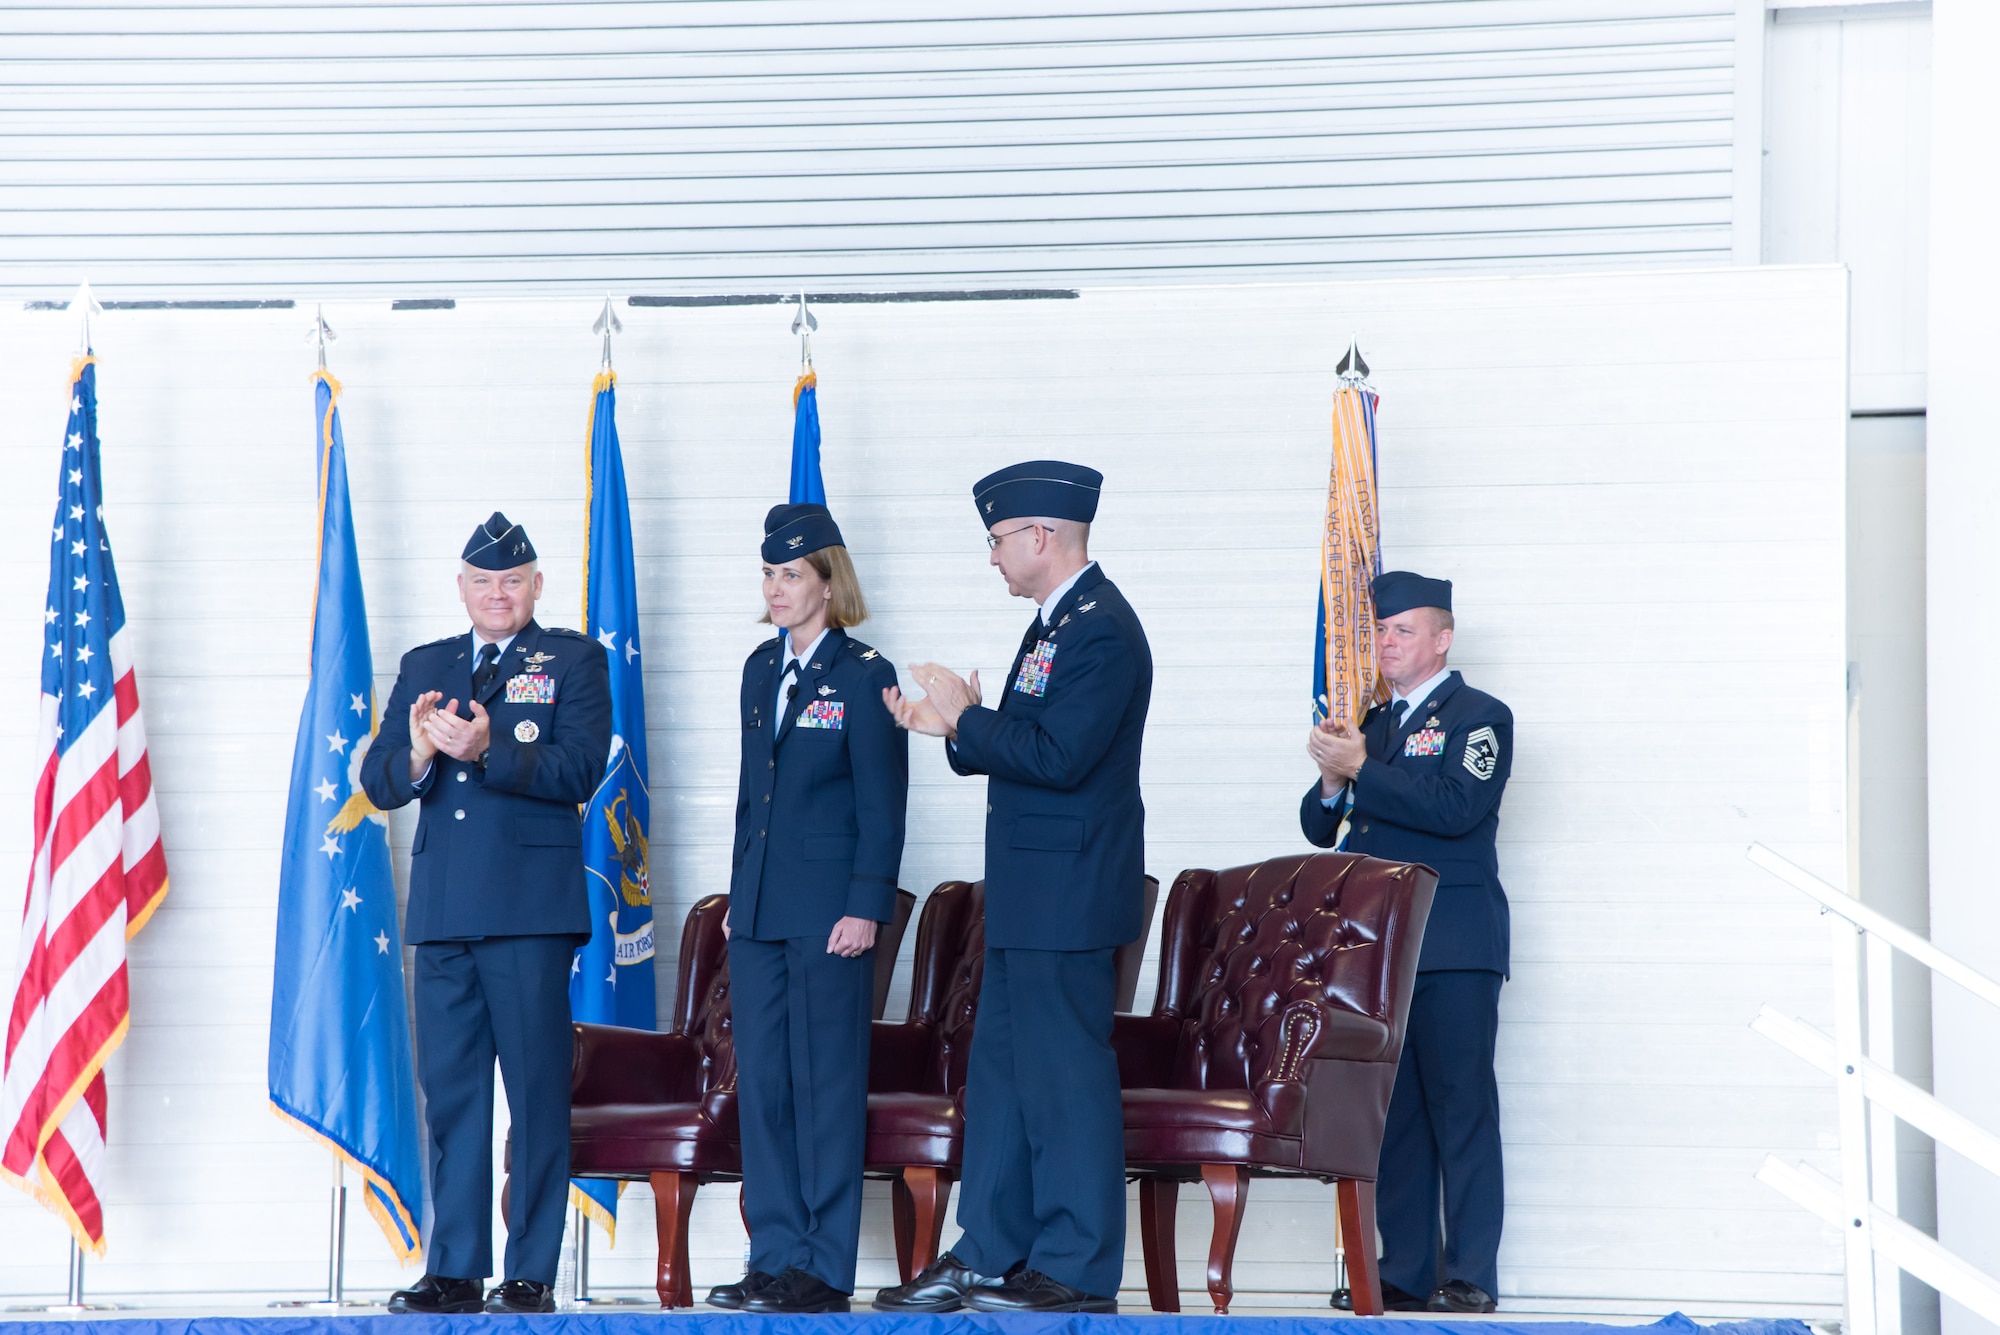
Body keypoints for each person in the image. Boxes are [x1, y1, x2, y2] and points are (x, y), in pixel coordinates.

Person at [874, 460, 1151, 1315]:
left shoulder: (1102, 629)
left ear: (1042, 535)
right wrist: (951, 729)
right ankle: (992, 1250)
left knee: (1065, 1076)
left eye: (997, 539)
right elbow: (1025, 740)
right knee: (1000, 1073)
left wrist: (969, 720)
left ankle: (1075, 1264)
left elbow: (1061, 757)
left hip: (1069, 890)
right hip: (1033, 891)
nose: (991, 555)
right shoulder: (1052, 625)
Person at [362, 512, 610, 1316]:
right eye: (482, 581)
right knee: (453, 1096)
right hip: (443, 912)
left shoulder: (572, 658)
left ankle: (530, 1269)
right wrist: (421, 754)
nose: (496, 594)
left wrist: (485, 752)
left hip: (528, 913)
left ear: (535, 585)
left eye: (511, 581)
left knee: (537, 1095)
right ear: (461, 588)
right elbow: (378, 781)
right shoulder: (427, 663)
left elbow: (579, 766)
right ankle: (455, 1266)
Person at [705, 503, 909, 1316]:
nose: (776, 588)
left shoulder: (864, 674)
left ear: (829, 582)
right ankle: (774, 1254)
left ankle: (821, 1268)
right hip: (758, 910)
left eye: (791, 574)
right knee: (767, 1090)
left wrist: (867, 905)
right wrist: (736, 891)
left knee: (825, 1086)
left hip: (830, 914)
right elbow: (754, 795)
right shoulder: (761, 668)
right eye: (769, 573)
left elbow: (884, 806)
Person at [1301, 570, 1512, 1315]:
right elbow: (1322, 823)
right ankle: (1408, 1267)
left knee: (1461, 1103)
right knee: (1393, 1114)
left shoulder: (1480, 716)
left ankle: (1471, 1273)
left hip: (1454, 940)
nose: (1387, 642)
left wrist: (1361, 768)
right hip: (1382, 946)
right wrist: (1333, 782)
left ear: (1442, 639)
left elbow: (1455, 808)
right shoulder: (1374, 723)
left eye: (1403, 630)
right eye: (1381, 631)